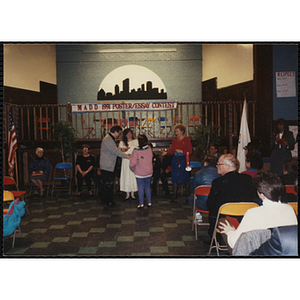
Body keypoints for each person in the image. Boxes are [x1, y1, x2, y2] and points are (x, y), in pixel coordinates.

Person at [218, 170, 298, 250]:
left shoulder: (253, 213)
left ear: (261, 194)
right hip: (282, 252)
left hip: (257, 252)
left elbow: (235, 243)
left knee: (223, 222)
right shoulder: (289, 209)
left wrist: (230, 232)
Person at [206, 154, 259, 237]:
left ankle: (214, 237)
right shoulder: (248, 179)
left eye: (219, 164)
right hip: (245, 219)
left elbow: (210, 204)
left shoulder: (218, 182)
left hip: (225, 221)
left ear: (227, 166)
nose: (216, 166)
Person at [162, 124, 192, 201]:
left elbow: (190, 151)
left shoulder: (187, 140)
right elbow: (172, 151)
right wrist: (166, 153)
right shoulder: (174, 141)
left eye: (177, 131)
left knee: (185, 177)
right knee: (175, 177)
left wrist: (182, 151)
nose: (176, 133)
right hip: (175, 159)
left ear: (182, 131)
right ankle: (175, 195)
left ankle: (188, 195)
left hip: (183, 160)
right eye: (175, 131)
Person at [100, 125, 129, 207]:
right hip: (107, 166)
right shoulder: (108, 139)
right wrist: (128, 157)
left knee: (107, 184)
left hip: (107, 165)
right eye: (119, 133)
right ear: (115, 132)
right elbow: (115, 151)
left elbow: (113, 150)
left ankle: (106, 200)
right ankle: (109, 201)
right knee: (108, 185)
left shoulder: (108, 138)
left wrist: (121, 150)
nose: (119, 135)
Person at [188, 155, 221, 223]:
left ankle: (197, 214)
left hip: (201, 204)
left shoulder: (198, 173)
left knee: (191, 197)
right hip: (216, 204)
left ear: (205, 163)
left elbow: (193, 189)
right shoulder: (220, 174)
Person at [129, 134, 153, 209]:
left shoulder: (136, 151)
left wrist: (132, 168)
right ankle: (149, 202)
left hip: (139, 172)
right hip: (149, 171)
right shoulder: (149, 149)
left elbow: (133, 162)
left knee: (140, 187)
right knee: (147, 187)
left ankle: (141, 204)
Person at [119, 128, 138, 200]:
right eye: (127, 134)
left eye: (130, 133)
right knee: (126, 176)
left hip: (133, 160)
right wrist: (126, 155)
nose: (129, 135)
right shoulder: (122, 142)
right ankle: (127, 193)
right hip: (125, 160)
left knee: (133, 175)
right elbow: (120, 152)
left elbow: (137, 150)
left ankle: (133, 193)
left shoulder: (135, 141)